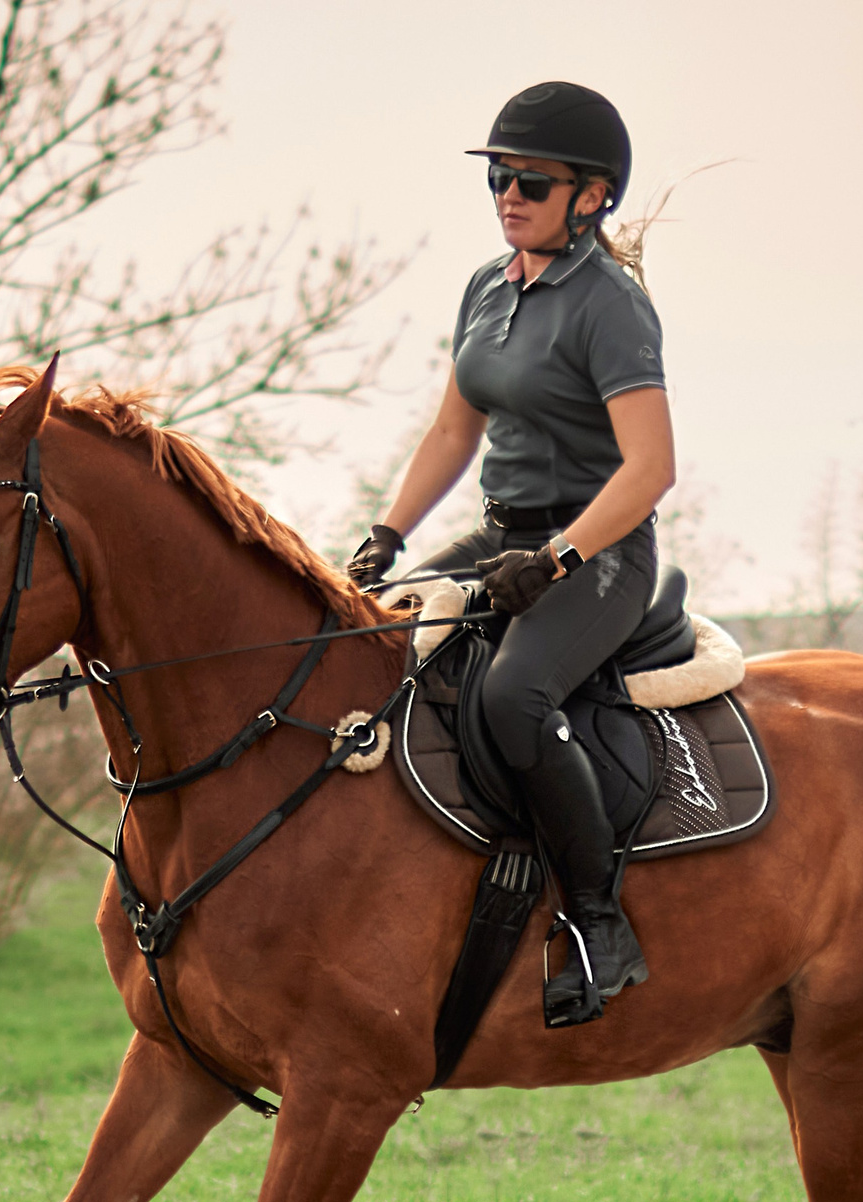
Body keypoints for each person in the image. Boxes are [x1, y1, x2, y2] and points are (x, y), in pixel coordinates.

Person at [346, 81, 675, 1028]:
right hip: (501, 531)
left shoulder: (611, 306)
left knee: (513, 694)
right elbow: (455, 431)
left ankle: (599, 923)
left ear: (591, 196)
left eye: (529, 179)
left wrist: (560, 560)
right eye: (496, 177)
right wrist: (387, 537)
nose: (508, 194)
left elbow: (651, 469)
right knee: (361, 638)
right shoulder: (489, 288)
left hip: (600, 547)